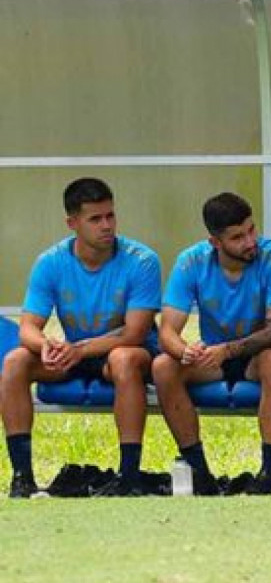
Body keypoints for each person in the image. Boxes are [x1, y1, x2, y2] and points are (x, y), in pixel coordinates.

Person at [2, 178, 161, 497]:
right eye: (95, 219)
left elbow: (135, 333)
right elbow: (27, 328)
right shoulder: (51, 262)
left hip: (126, 351)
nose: (107, 225)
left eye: (110, 216)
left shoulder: (142, 261)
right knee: (16, 361)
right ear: (72, 223)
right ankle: (22, 478)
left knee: (124, 359)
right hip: (75, 354)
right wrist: (46, 346)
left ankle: (128, 476)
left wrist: (80, 349)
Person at [152, 192, 271, 495]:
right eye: (237, 237)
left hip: (264, 352)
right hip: (216, 355)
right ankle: (200, 476)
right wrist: (185, 351)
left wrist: (227, 350)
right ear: (215, 242)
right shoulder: (191, 261)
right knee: (163, 366)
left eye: (251, 230)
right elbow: (167, 332)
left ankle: (268, 476)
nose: (250, 242)